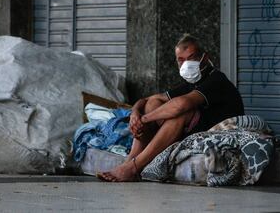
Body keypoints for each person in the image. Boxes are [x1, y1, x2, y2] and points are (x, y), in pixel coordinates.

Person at [97, 34, 244, 182]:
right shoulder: (192, 82)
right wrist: (135, 113)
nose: (186, 64)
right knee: (152, 105)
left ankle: (134, 167)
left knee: (180, 113)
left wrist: (144, 119)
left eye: (191, 58)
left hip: (216, 130)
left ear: (204, 58)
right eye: (181, 60)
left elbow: (182, 105)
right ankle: (130, 160)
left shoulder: (216, 79)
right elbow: (149, 99)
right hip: (197, 126)